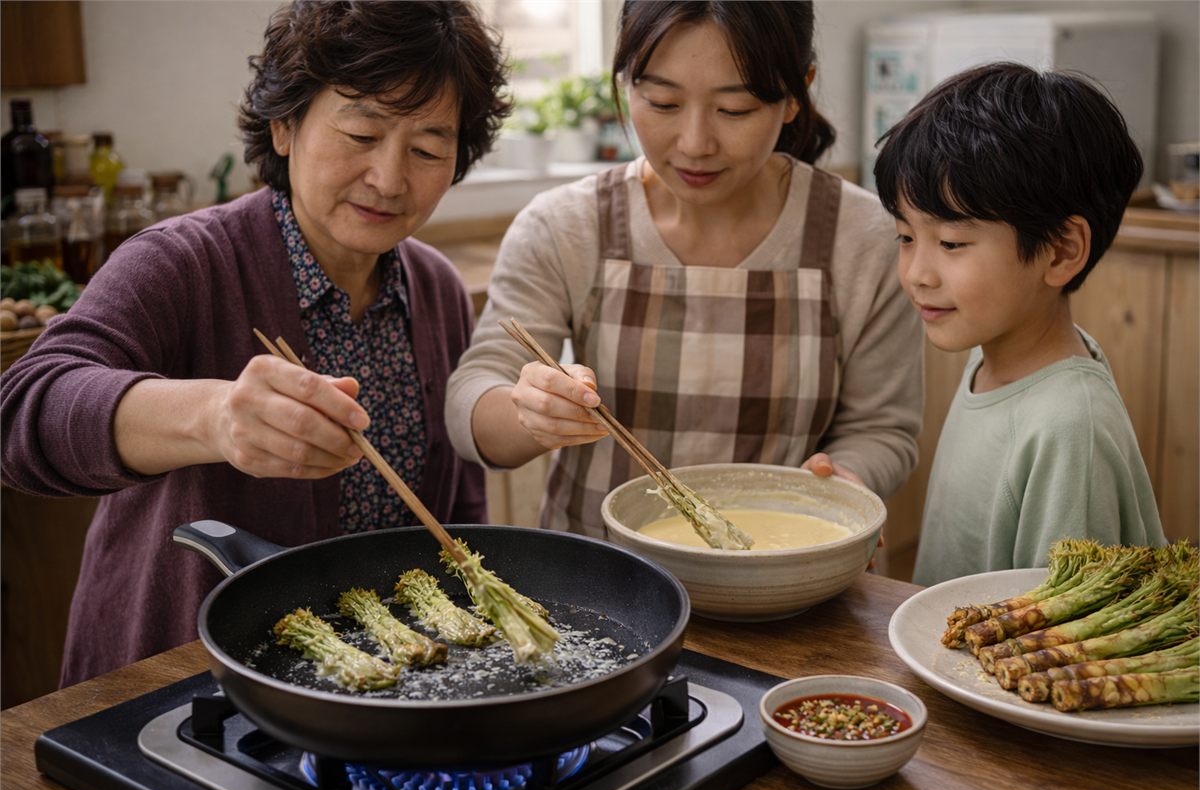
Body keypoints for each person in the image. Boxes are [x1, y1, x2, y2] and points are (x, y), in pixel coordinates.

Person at [0, 0, 509, 686]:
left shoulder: (436, 287)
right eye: (362, 134)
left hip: (384, 685)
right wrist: (213, 418)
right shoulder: (184, 262)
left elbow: (457, 513)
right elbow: (22, 410)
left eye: (426, 150)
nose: (390, 180)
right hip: (185, 687)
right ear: (284, 125)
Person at [446, 0, 922, 538]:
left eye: (735, 110)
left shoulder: (860, 238)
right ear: (627, 83)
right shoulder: (566, 226)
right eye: (663, 102)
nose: (695, 143)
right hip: (602, 582)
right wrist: (530, 412)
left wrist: (845, 479)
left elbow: (882, 427)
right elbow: (474, 397)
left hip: (776, 571)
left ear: (796, 94)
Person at [871, 62, 1168, 586]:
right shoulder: (989, 356)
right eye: (905, 237)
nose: (917, 274)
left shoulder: (1069, 427)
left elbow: (1060, 643)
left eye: (952, 244)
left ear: (1060, 251)